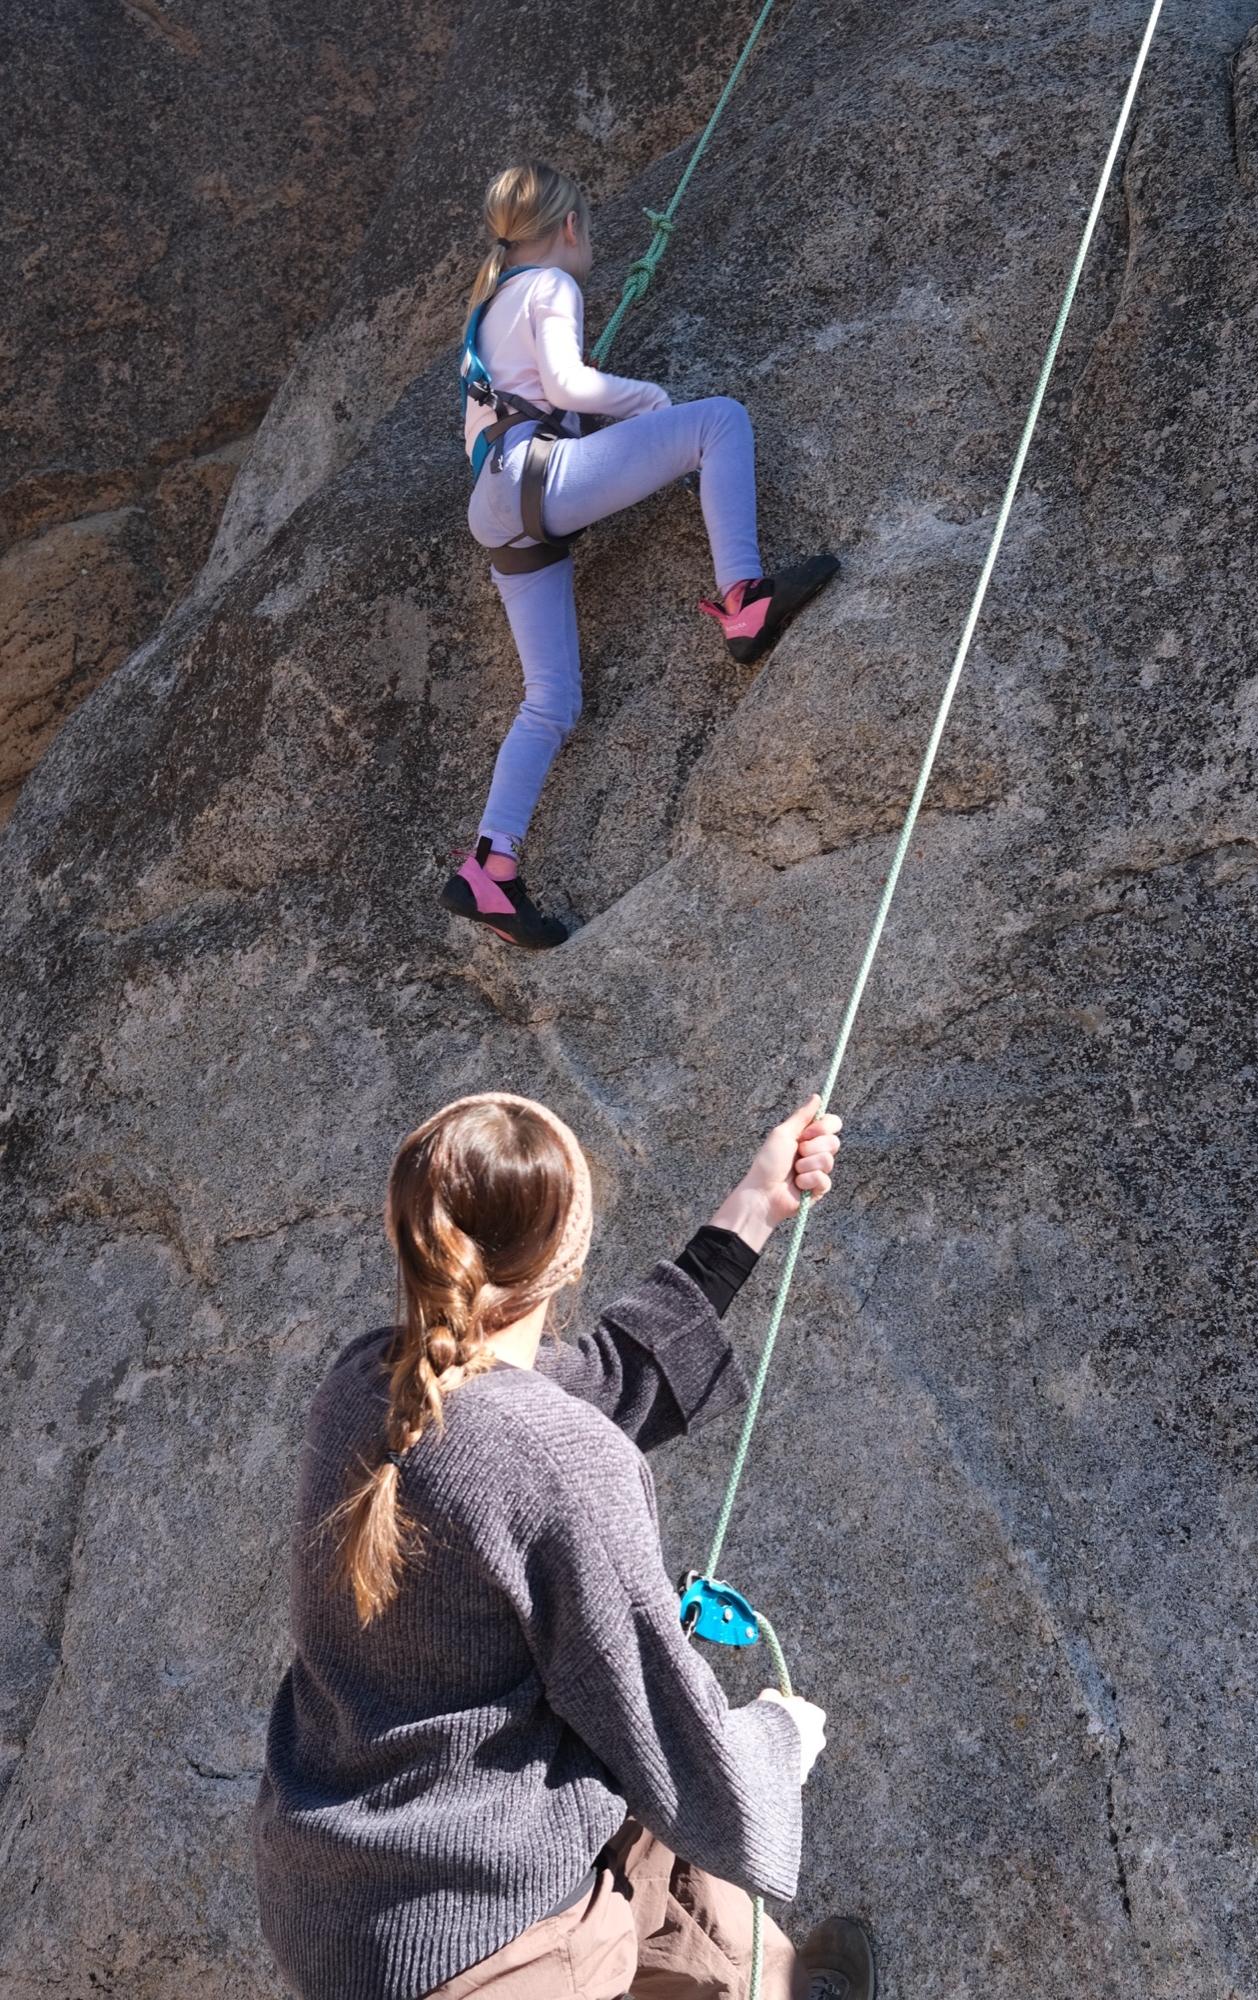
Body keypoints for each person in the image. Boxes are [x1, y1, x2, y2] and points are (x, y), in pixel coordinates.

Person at [254, 1090, 876, 1999]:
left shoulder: (366, 1383)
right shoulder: (560, 1461)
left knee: (652, 1846)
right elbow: (662, 1724)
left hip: (330, 1897)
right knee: (642, 1787)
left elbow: (598, 1383)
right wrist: (777, 1741)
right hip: (484, 1951)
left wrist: (753, 1207)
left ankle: (771, 1982)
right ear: (569, 1254)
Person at [442, 162, 840, 950]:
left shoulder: (488, 305)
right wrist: (647, 403)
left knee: (550, 699)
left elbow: (517, 401)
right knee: (717, 421)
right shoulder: (550, 284)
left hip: (497, 500)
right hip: (539, 478)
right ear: (568, 229)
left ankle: (490, 866)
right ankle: (742, 598)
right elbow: (567, 380)